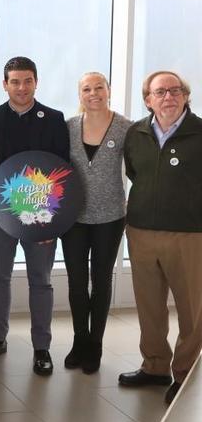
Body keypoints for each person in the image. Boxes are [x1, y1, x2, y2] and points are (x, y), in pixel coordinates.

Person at [0, 56, 69, 376]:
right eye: (14, 81)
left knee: (40, 281)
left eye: (27, 81)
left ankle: (41, 347)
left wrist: (52, 221)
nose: (21, 87)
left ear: (36, 82)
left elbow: (61, 173)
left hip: (40, 216)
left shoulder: (54, 119)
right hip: (0, 216)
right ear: (5, 85)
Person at [119, 70, 202, 405]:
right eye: (160, 92)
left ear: (185, 96)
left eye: (175, 90)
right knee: (150, 305)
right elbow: (134, 173)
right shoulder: (136, 133)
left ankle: (184, 374)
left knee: (192, 310)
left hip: (189, 233)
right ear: (148, 99)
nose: (169, 96)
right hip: (141, 231)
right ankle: (154, 366)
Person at [61, 72, 131, 374]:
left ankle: (96, 345)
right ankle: (80, 340)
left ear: (109, 90)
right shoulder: (68, 127)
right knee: (77, 282)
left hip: (111, 216)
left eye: (99, 87)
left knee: (101, 281)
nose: (94, 93)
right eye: (87, 89)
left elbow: (139, 170)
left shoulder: (126, 127)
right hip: (74, 217)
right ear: (80, 95)